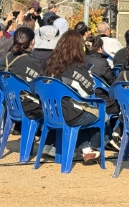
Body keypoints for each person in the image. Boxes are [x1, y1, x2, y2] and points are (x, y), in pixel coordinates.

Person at [43, 30, 105, 162]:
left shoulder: (48, 63)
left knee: (78, 110)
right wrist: (88, 76)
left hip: (49, 112)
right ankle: (93, 148)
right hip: (70, 115)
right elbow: (87, 92)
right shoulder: (77, 68)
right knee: (101, 114)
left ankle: (84, 149)